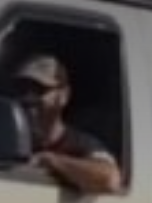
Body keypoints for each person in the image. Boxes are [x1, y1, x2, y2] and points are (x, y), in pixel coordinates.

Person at [10, 53, 124, 194]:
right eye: (22, 90)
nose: (28, 98)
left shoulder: (81, 144)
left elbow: (109, 179)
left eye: (39, 90)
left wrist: (53, 161)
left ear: (63, 96)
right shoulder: (6, 142)